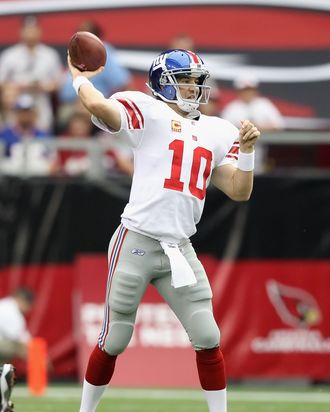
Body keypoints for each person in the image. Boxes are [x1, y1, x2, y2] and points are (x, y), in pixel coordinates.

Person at [68, 48, 260, 412]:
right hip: (136, 240)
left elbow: (239, 190)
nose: (193, 88)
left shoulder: (218, 130)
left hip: (179, 249)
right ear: (163, 84)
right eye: (185, 81)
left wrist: (247, 152)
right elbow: (101, 108)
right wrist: (80, 78)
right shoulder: (147, 109)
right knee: (116, 338)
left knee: (207, 335)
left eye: (196, 81)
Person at [58, 20, 132, 128]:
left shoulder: (103, 54)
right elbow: (65, 90)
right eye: (79, 34)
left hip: (95, 106)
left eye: (86, 34)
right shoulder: (74, 53)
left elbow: (125, 83)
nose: (80, 38)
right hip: (71, 107)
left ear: (96, 37)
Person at [0, 15, 63, 132]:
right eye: (27, 30)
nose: (30, 34)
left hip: (40, 102)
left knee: (42, 135)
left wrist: (44, 86)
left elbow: (58, 82)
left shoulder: (50, 55)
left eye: (33, 30)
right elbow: (2, 82)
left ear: (39, 31)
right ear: (21, 32)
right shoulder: (10, 55)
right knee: (13, 135)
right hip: (16, 103)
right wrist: (17, 86)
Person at [222, 74, 284, 173]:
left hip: (261, 155)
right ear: (238, 91)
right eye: (244, 90)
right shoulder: (232, 108)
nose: (247, 93)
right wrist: (244, 130)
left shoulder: (264, 104)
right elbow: (224, 130)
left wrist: (257, 128)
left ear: (255, 90)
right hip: (236, 156)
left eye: (249, 89)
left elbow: (279, 125)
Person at [0, 94, 55, 176]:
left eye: (28, 112)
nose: (25, 115)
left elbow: (53, 161)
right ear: (16, 113)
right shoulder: (5, 134)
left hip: (39, 180)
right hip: (10, 180)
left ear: (34, 114)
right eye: (22, 112)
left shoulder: (44, 135)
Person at [0, 287, 35, 363]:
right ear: (23, 301)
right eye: (29, 306)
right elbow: (17, 336)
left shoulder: (4, 304)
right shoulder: (11, 310)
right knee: (20, 347)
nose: (28, 310)